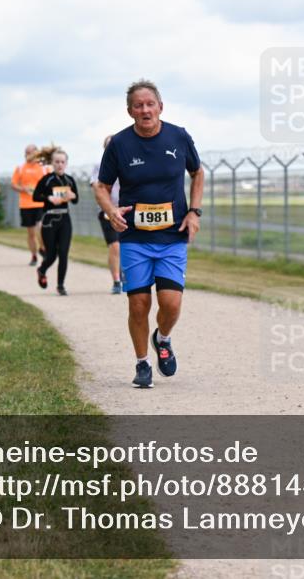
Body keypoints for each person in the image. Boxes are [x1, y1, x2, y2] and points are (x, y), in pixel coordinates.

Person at [95, 80, 204, 389]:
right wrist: (111, 210)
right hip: (135, 237)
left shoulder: (179, 136)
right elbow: (102, 186)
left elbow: (197, 172)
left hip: (172, 235)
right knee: (139, 303)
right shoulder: (119, 144)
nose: (145, 110)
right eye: (138, 105)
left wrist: (194, 212)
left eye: (150, 104)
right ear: (130, 111)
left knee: (171, 303)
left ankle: (163, 339)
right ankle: (142, 363)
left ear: (160, 107)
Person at [32, 148, 79, 295]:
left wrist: (72, 196)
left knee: (63, 253)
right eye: (57, 162)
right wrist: (48, 198)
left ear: (66, 163)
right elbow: (35, 196)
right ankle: (42, 270)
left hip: (65, 219)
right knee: (52, 255)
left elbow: (76, 199)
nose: (60, 165)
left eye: (62, 162)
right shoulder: (47, 180)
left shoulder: (69, 180)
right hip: (50, 220)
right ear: (52, 163)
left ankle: (60, 285)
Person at [92, 134, 124, 294]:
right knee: (115, 246)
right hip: (108, 211)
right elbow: (97, 188)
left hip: (126, 210)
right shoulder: (99, 167)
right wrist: (109, 209)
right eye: (108, 146)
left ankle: (125, 274)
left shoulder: (127, 164)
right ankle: (116, 280)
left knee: (127, 246)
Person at [11, 144, 49, 266]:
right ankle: (34, 256)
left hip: (40, 203)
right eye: (26, 152)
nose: (27, 154)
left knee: (41, 227)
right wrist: (23, 189)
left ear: (36, 153)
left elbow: (50, 182)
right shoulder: (20, 168)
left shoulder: (44, 168)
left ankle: (43, 248)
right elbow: (13, 184)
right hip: (26, 204)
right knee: (31, 233)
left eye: (30, 152)